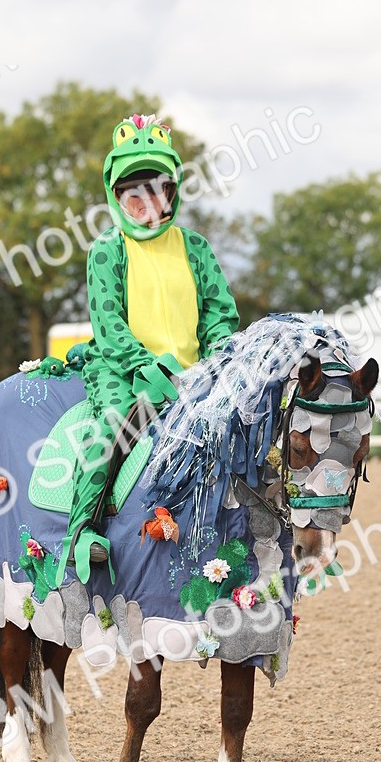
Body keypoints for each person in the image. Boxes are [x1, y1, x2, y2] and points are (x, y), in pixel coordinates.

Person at [56, 113, 239, 584]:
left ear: (172, 193)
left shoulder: (196, 248)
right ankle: (84, 531)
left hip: (192, 374)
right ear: (116, 196)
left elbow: (220, 314)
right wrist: (147, 364)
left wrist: (215, 362)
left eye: (156, 189)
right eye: (132, 191)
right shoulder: (105, 250)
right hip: (121, 368)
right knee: (114, 418)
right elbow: (110, 325)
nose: (145, 201)